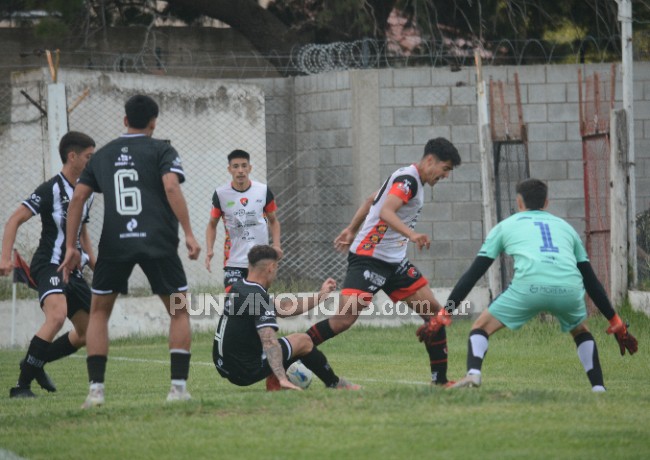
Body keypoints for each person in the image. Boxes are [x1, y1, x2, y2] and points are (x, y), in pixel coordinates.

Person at [59, 95, 201, 408]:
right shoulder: (163, 149)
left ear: (125, 120)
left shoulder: (103, 155)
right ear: (154, 122)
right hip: (158, 241)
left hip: (115, 242)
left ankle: (96, 392)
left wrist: (71, 246)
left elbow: (77, 199)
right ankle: (178, 390)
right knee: (178, 309)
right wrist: (189, 233)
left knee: (99, 312)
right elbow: (172, 187)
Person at [448, 178, 638, 391]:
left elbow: (474, 273)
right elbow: (591, 280)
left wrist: (446, 312)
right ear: (546, 202)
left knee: (480, 326)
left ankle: (473, 374)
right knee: (581, 330)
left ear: (519, 203)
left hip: (528, 287)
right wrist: (615, 320)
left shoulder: (504, 226)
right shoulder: (567, 228)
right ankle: (599, 389)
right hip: (569, 289)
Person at [306, 137, 462, 386]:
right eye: (445, 170)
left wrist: (350, 229)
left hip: (394, 263)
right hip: (369, 260)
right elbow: (385, 211)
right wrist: (411, 234)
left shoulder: (409, 178)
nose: (444, 176)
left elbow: (371, 200)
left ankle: (440, 382)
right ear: (430, 160)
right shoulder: (408, 180)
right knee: (342, 320)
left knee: (434, 314)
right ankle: (290, 350)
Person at [1, 131, 96, 398]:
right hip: (49, 264)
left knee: (88, 333)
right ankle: (21, 386)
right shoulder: (51, 189)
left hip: (73, 270)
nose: (92, 161)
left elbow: (82, 231)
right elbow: (14, 220)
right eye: (89, 156)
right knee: (56, 315)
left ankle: (35, 361)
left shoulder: (87, 192)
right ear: (72, 156)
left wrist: (94, 261)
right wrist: (4, 258)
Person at [213, 245, 360, 391]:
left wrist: (321, 295)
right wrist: (282, 378)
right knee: (303, 341)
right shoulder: (257, 297)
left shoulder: (240, 287)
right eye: (276, 268)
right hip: (244, 370)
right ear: (271, 267)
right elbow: (269, 340)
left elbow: (285, 308)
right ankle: (335, 384)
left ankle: (279, 378)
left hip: (224, 365)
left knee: (294, 341)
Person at [205, 149, 282, 291]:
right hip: (234, 261)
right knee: (234, 302)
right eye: (236, 166)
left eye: (244, 165)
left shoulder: (263, 191)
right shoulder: (221, 194)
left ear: (250, 168)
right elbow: (212, 224)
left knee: (256, 304)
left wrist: (276, 245)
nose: (240, 170)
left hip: (260, 260)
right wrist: (209, 249)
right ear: (229, 169)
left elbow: (274, 221)